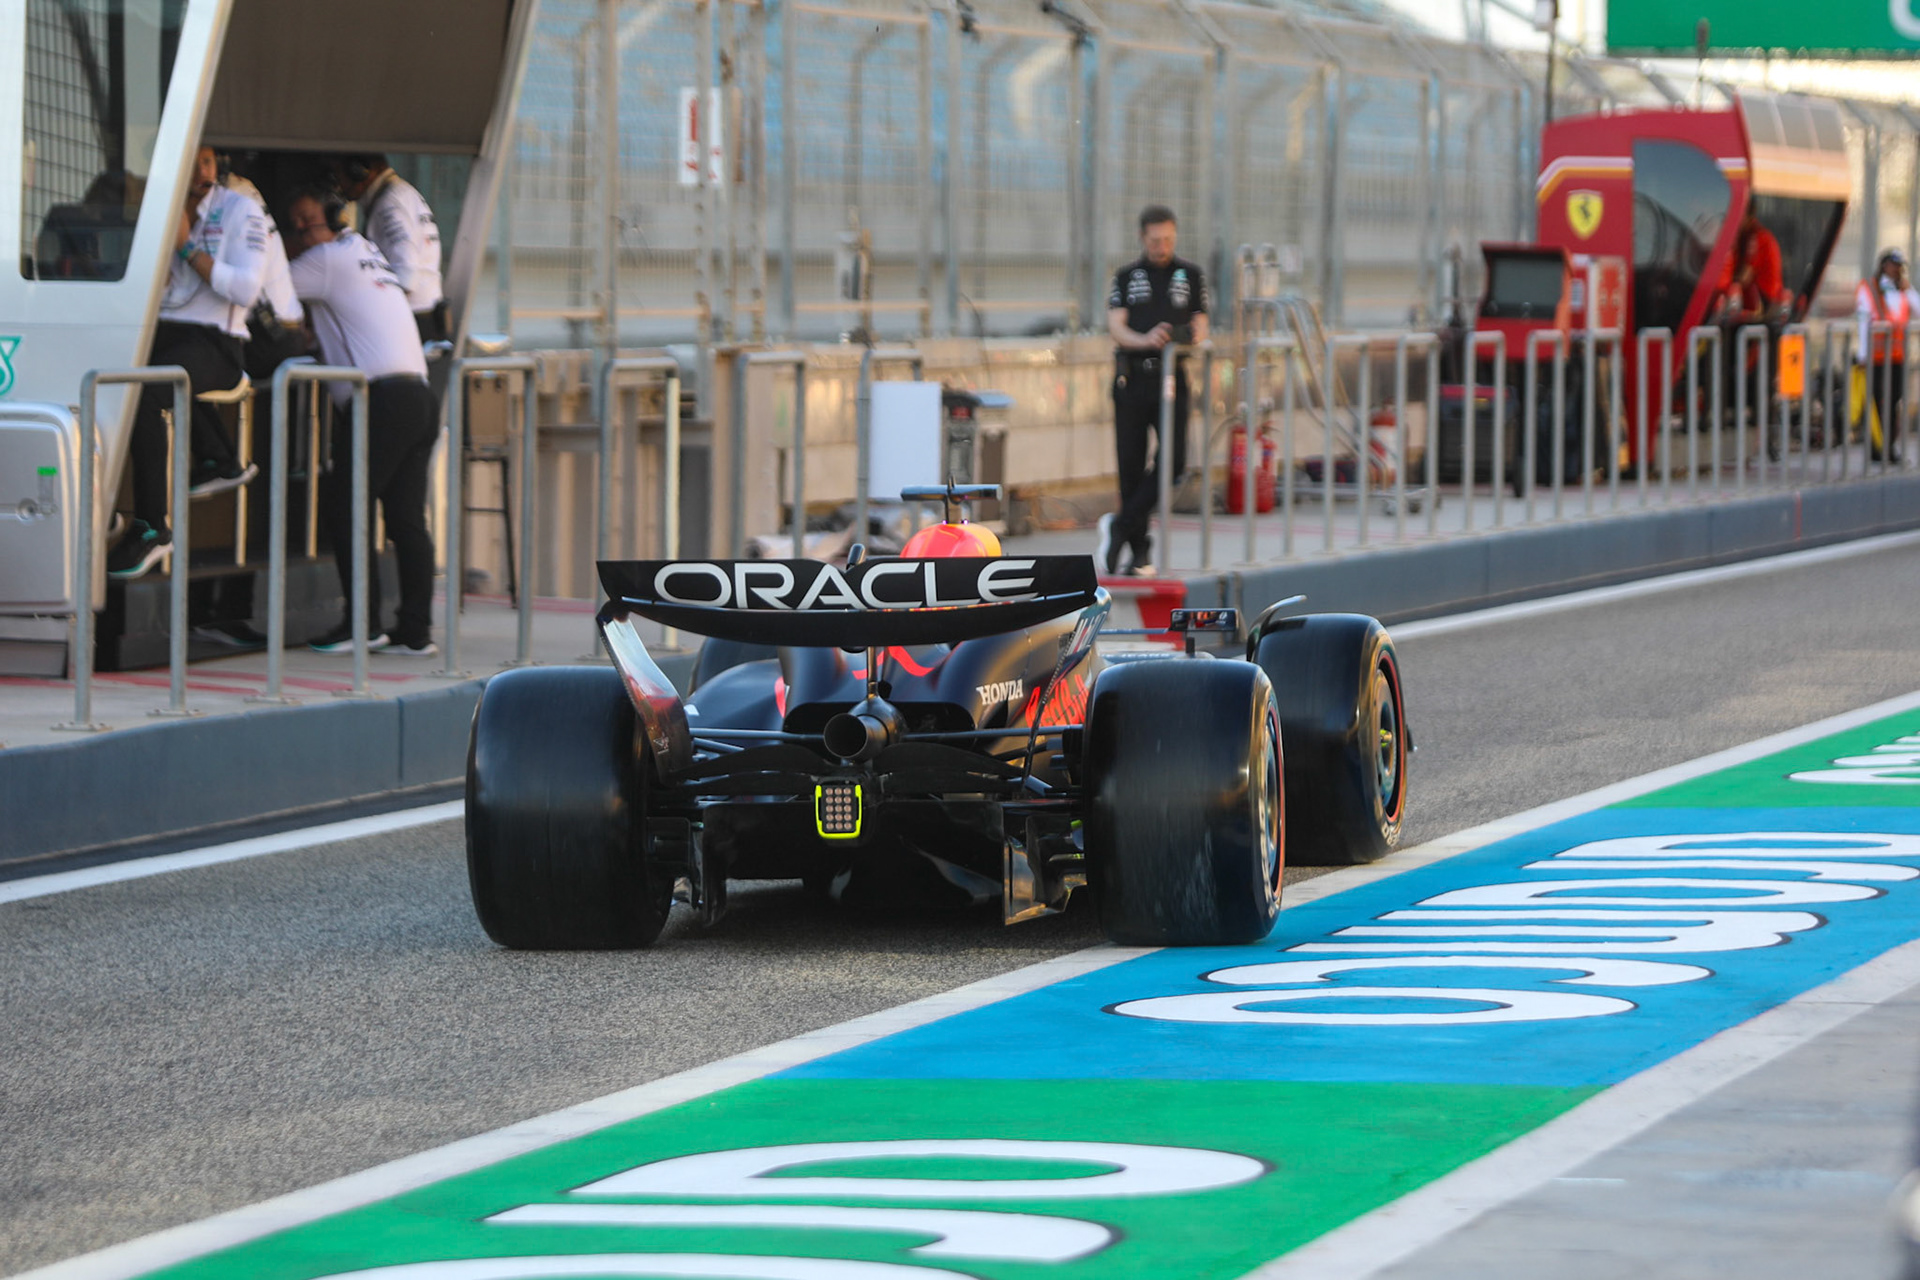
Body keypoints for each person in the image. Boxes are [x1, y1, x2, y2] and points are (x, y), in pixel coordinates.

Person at [286, 189, 439, 656]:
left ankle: (362, 624)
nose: (300, 235)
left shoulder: (326, 260)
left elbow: (267, 285)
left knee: (345, 505)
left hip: (382, 400)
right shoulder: (365, 253)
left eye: (306, 223)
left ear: (331, 222)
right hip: (417, 394)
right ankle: (415, 632)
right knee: (406, 518)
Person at [108, 145, 268, 579]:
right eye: (191, 160)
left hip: (218, 341)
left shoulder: (241, 210)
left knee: (149, 388)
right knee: (99, 370)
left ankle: (152, 527)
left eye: (208, 160)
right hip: (161, 329)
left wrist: (185, 249)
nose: (202, 171)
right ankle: (101, 506)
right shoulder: (160, 209)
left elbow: (247, 290)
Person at [1101, 204, 1209, 576]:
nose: (1161, 246)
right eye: (1154, 240)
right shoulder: (1127, 276)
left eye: (1167, 239)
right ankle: (1139, 550)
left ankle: (1121, 524)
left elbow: (1201, 324)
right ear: (1142, 238)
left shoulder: (1190, 274)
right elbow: (1116, 326)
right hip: (1132, 379)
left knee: (1174, 461)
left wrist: (1185, 338)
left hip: (1172, 378)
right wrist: (1146, 340)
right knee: (1129, 467)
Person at [334, 154, 446, 343]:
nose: (339, 184)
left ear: (359, 171)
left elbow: (406, 273)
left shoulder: (389, 203)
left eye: (338, 174)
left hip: (409, 318)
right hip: (425, 313)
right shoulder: (404, 193)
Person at [1856, 248, 1916, 464]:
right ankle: (1878, 448)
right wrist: (1863, 354)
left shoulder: (1901, 290)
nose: (1896, 269)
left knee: (1893, 403)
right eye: (1893, 265)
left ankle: (1888, 447)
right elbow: (1863, 323)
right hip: (1875, 358)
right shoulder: (1869, 288)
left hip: (1897, 357)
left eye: (1899, 266)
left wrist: (1908, 290)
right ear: (1884, 265)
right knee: (1878, 405)